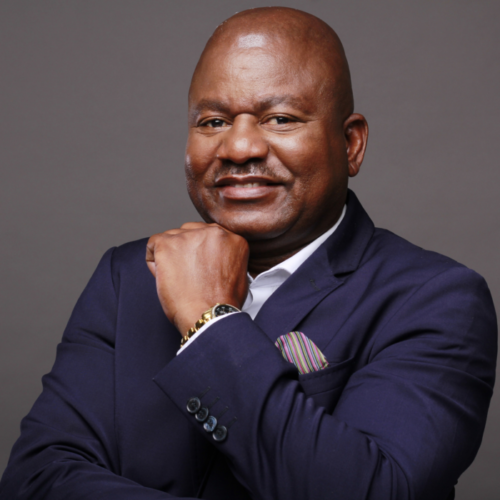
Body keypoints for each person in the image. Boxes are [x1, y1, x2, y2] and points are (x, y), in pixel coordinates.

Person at [0, 7, 496, 500]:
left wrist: (209, 320)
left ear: (351, 144)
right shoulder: (128, 277)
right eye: (214, 121)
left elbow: (372, 491)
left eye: (280, 119)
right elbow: (37, 479)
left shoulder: (435, 300)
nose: (238, 148)